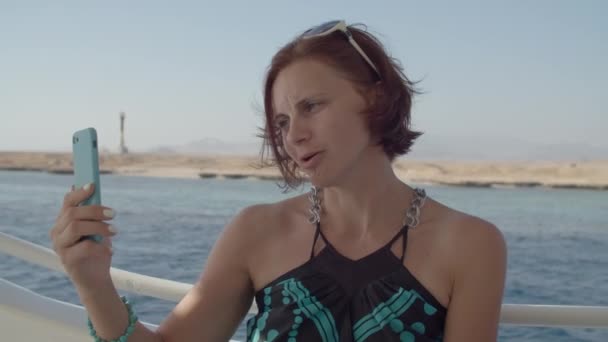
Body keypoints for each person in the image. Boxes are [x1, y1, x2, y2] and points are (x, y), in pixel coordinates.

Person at [50, 20, 507, 342]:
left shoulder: (471, 245)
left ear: (376, 97)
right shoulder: (255, 232)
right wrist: (93, 285)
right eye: (283, 120)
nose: (293, 136)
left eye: (311, 106)